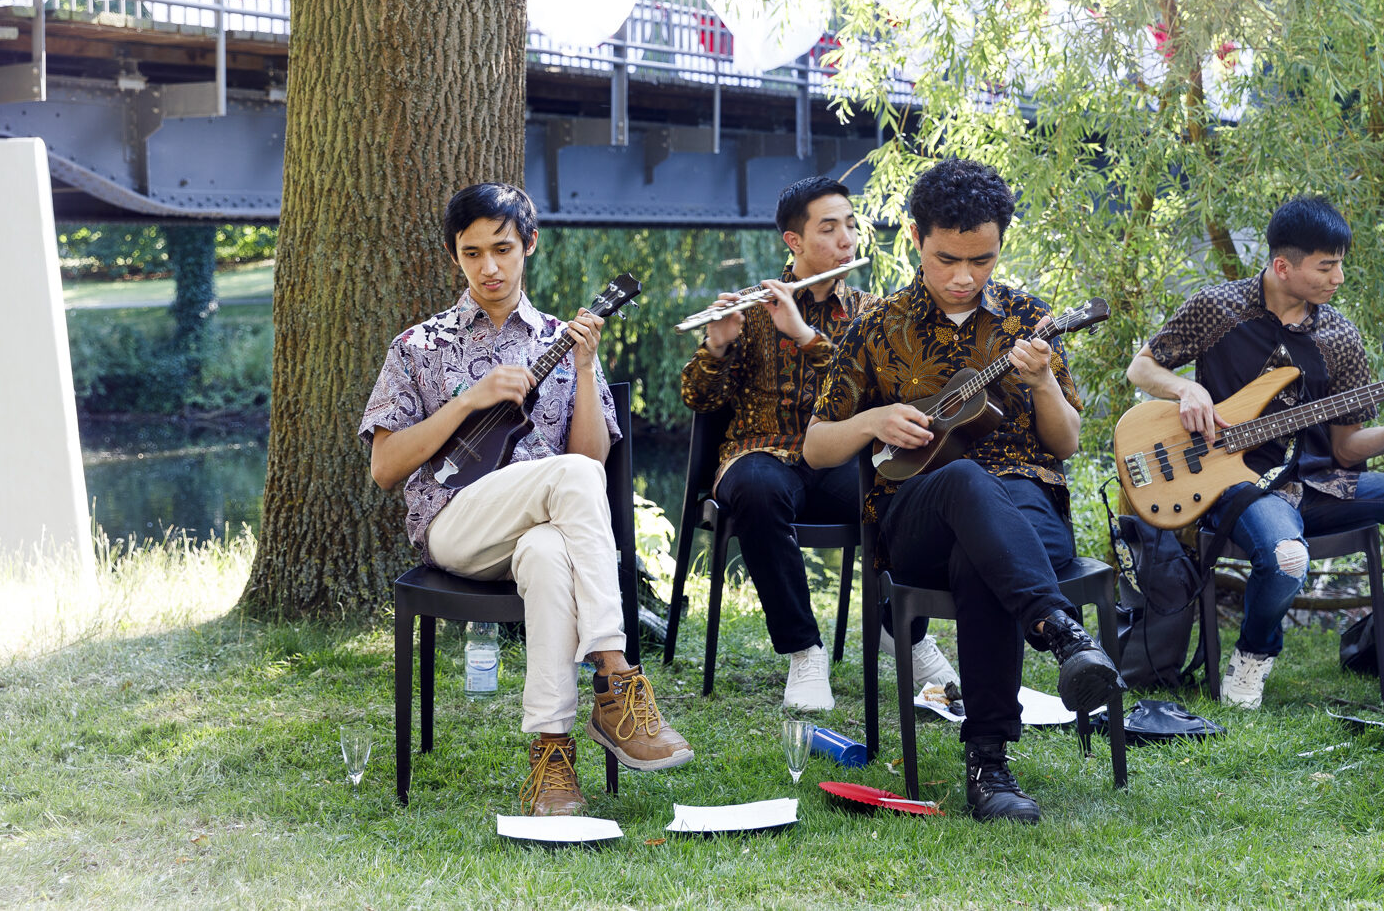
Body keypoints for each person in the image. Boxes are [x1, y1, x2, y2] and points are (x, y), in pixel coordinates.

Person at [804, 157, 1124, 825]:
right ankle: (1063, 633)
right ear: (917, 237)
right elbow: (815, 446)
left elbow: (1065, 444)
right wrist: (871, 421)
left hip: (1028, 511)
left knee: (983, 551)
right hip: (918, 512)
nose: (963, 277)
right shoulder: (876, 324)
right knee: (961, 479)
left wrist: (1039, 383)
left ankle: (990, 765)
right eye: (948, 258)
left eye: (982, 260)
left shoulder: (1030, 319)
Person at [360, 182, 692, 818]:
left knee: (546, 551)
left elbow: (591, 465)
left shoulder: (559, 344)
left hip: (540, 530)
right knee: (564, 480)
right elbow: (384, 467)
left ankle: (551, 756)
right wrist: (467, 400)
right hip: (453, 526)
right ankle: (618, 682)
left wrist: (589, 370)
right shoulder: (418, 347)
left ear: (529, 245)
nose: (489, 267)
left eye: (503, 249)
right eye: (472, 252)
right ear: (455, 256)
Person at [1125, 196, 1384, 708]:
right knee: (1286, 557)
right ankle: (1252, 659)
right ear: (1283, 266)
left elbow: (1346, 449)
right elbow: (1141, 368)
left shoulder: (1339, 336)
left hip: (1320, 484)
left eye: (1341, 263)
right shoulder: (1217, 308)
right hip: (1235, 483)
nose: (1339, 278)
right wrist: (1185, 391)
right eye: (1326, 266)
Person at [680, 176, 960, 710]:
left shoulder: (872, 313)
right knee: (759, 489)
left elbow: (878, 395)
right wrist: (716, 347)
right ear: (795, 242)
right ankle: (804, 652)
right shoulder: (752, 308)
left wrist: (805, 337)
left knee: (907, 489)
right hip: (760, 454)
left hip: (839, 460)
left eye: (851, 226)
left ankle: (902, 631)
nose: (846, 240)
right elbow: (699, 399)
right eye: (829, 229)